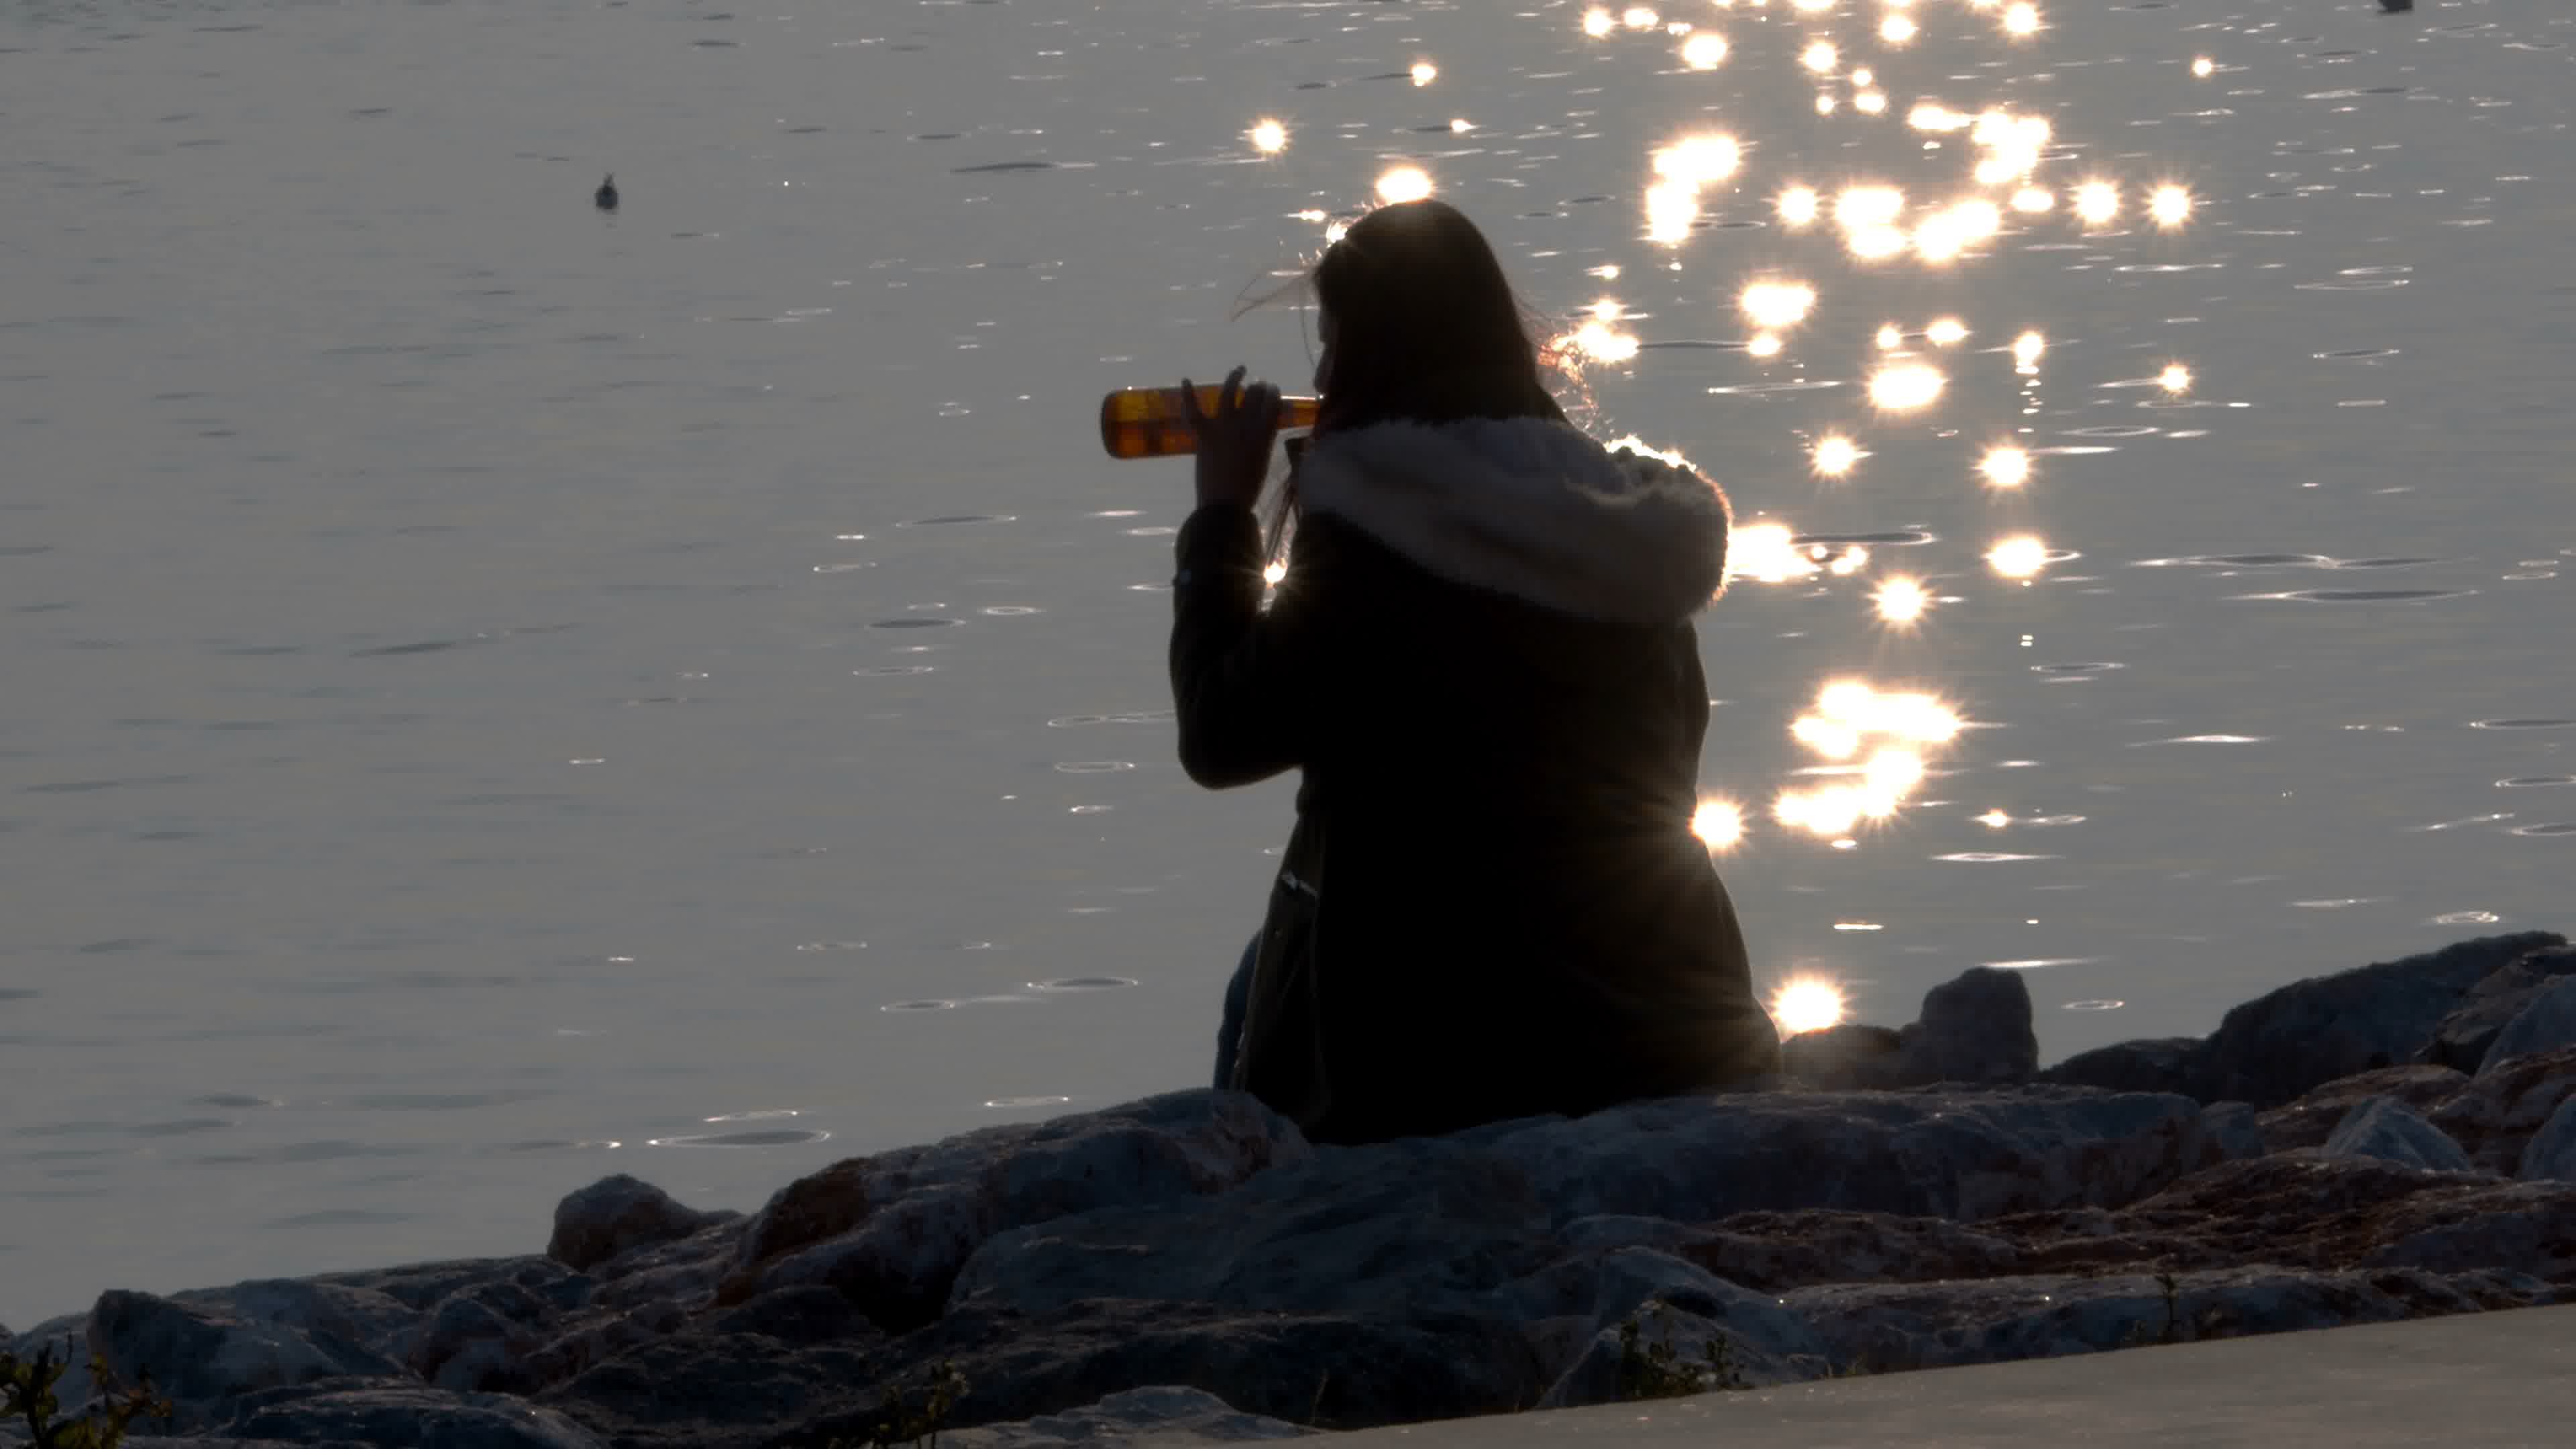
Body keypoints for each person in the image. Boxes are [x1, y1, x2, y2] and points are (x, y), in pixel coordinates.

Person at [1169, 198, 1781, 1146]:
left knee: (1263, 979)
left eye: (1332, 348)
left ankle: (1254, 1218)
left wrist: (1221, 520)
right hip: (1676, 1034)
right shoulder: (1623, 524)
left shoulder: (1375, 545)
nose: (1321, 380)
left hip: (1445, 1071)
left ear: (1370, 363)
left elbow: (1219, 735)